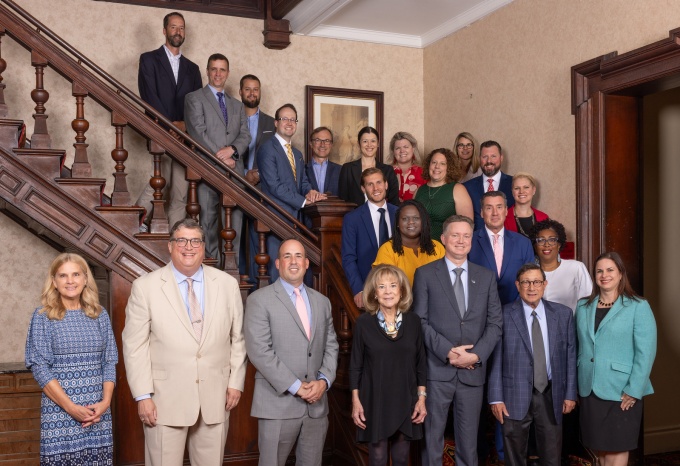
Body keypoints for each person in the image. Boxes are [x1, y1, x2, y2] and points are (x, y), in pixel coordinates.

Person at [122, 219, 247, 465]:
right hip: (163, 401)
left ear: (203, 247)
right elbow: (134, 346)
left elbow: (237, 339)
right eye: (181, 240)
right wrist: (142, 396)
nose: (188, 247)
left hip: (216, 398)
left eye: (195, 241)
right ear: (170, 246)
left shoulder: (227, 285)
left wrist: (236, 382)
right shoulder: (145, 287)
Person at [413, 215, 503, 466]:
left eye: (466, 236)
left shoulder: (485, 277)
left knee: (468, 443)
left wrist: (475, 355)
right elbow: (419, 320)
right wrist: (448, 352)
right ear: (443, 239)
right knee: (432, 441)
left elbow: (496, 324)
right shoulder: (425, 274)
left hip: (473, 372)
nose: (461, 241)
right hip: (437, 371)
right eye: (455, 235)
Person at [244, 239, 339, 466]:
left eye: (298, 256)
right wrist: (296, 387)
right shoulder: (259, 300)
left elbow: (332, 345)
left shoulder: (322, 302)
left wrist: (324, 382)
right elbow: (259, 351)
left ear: (306, 263)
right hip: (277, 405)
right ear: (278, 263)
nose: (293, 261)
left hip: (316, 406)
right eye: (287, 256)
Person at [25, 253, 118, 464]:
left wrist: (105, 402)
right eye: (63, 275)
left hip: (97, 413)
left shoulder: (99, 314)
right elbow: (40, 367)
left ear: (85, 279)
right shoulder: (43, 316)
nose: (70, 281)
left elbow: (109, 360)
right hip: (60, 414)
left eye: (76, 274)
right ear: (54, 282)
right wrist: (70, 407)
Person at [488, 263, 577, 466]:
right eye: (526, 282)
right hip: (513, 395)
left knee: (552, 454)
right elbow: (496, 358)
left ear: (545, 284)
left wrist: (570, 393)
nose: (531, 287)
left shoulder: (563, 315)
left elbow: (570, 356)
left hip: (551, 393)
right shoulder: (503, 315)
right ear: (517, 285)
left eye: (536, 282)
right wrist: (495, 398)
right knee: (514, 456)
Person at [576, 252, 657, 466]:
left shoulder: (638, 306)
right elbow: (579, 347)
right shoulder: (583, 307)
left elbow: (646, 352)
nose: (604, 275)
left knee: (617, 448)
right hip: (589, 388)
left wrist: (634, 389)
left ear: (621, 274)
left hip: (622, 391)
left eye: (610, 270)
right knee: (600, 450)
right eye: (599, 271)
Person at [350, 264, 427, 466]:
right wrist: (356, 401)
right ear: (374, 293)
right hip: (374, 399)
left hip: (405, 398)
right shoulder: (364, 323)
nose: (388, 291)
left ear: (401, 290)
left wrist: (421, 399)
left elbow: (421, 363)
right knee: (377, 458)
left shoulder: (414, 322)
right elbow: (355, 366)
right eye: (381, 286)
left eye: (393, 285)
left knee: (402, 458)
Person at [136, 11, 203, 229]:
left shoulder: (193, 69)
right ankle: (132, 221)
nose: (178, 31)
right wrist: (169, 126)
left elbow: (197, 104)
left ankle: (175, 239)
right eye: (173, 27)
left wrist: (184, 125)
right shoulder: (148, 60)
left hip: (185, 138)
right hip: (159, 132)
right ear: (165, 30)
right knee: (159, 182)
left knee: (181, 192)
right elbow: (149, 96)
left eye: (181, 28)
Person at [185, 53, 251, 266]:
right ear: (207, 71)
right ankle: (211, 265)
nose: (218, 74)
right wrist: (222, 157)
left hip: (235, 171)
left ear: (228, 73)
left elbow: (245, 135)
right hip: (208, 169)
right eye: (214, 69)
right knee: (208, 221)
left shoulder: (237, 105)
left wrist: (232, 150)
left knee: (236, 221)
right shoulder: (194, 98)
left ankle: (231, 267)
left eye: (222, 70)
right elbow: (197, 133)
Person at [257, 104, 326, 281]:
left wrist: (310, 192)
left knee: (296, 273)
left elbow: (302, 182)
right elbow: (274, 186)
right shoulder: (267, 149)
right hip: (276, 218)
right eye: (284, 119)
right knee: (277, 271)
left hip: (297, 220)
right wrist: (303, 202)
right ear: (276, 123)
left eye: (293, 119)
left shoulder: (297, 153)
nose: (289, 123)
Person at [341, 167, 398, 308]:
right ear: (363, 188)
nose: (375, 188)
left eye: (379, 182)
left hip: (399, 288)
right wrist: (359, 290)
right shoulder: (352, 219)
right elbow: (348, 258)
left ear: (386, 184)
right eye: (370, 184)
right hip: (369, 289)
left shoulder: (399, 213)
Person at [238, 74, 275, 281]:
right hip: (235, 182)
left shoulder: (271, 122)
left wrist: (258, 174)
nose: (252, 93)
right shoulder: (232, 117)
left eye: (256, 89)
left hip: (262, 188)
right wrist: (244, 175)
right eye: (248, 89)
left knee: (257, 237)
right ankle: (239, 278)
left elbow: (275, 154)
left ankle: (255, 282)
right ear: (241, 91)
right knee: (234, 234)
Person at [469, 191, 535, 306]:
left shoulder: (523, 243)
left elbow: (530, 279)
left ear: (506, 211)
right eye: (489, 208)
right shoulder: (469, 241)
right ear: (482, 213)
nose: (495, 213)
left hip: (516, 311)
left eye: (499, 207)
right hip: (479, 311)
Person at [373, 199, 445, 285]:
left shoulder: (437, 247)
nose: (411, 222)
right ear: (397, 223)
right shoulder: (387, 249)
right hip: (401, 298)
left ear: (423, 222)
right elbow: (385, 287)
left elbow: (446, 282)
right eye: (405, 219)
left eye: (416, 218)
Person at [530, 219, 592, 312]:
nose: (547, 244)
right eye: (541, 240)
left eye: (552, 240)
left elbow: (588, 304)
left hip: (570, 324)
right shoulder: (529, 273)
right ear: (535, 245)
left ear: (559, 244)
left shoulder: (576, 268)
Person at [414, 148, 474, 240]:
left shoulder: (458, 189)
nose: (437, 166)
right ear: (428, 165)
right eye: (434, 162)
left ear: (449, 168)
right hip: (419, 247)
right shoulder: (419, 190)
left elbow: (467, 226)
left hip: (446, 249)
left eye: (442, 163)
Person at [338, 126, 400, 206]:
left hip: (381, 216)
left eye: (373, 141)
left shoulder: (388, 170)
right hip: (354, 216)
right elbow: (342, 199)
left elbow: (394, 201)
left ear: (378, 143)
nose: (369, 145)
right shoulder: (347, 169)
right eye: (365, 141)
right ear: (359, 144)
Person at [463, 140, 514, 230]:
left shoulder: (514, 184)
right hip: (476, 241)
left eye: (493, 156)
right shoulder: (467, 187)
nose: (489, 161)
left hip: (508, 240)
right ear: (479, 159)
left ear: (501, 158)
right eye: (485, 157)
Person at [504, 173, 549, 237]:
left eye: (526, 187)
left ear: (533, 190)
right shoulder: (503, 217)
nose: (521, 191)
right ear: (512, 191)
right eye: (517, 188)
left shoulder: (543, 217)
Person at [389, 131, 425, 202]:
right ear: (393, 152)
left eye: (406, 147)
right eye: (398, 148)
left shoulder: (424, 173)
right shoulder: (386, 172)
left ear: (413, 149)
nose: (402, 151)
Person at [305, 126, 341, 196]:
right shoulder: (301, 170)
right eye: (318, 140)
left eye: (327, 141)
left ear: (331, 145)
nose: (322, 145)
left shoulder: (341, 170)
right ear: (311, 144)